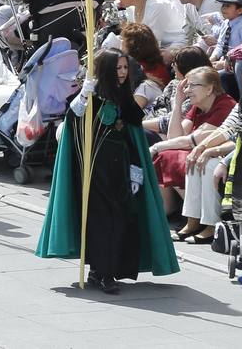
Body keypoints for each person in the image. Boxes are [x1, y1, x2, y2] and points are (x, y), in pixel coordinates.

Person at [37, 48, 180, 295]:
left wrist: (136, 168)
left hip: (120, 166)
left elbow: (133, 126)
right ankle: (103, 273)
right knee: (102, 219)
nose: (123, 73)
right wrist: (84, 95)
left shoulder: (124, 95)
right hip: (93, 168)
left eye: (125, 67)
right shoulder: (91, 94)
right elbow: (74, 120)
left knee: (121, 217)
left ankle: (104, 270)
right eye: (118, 68)